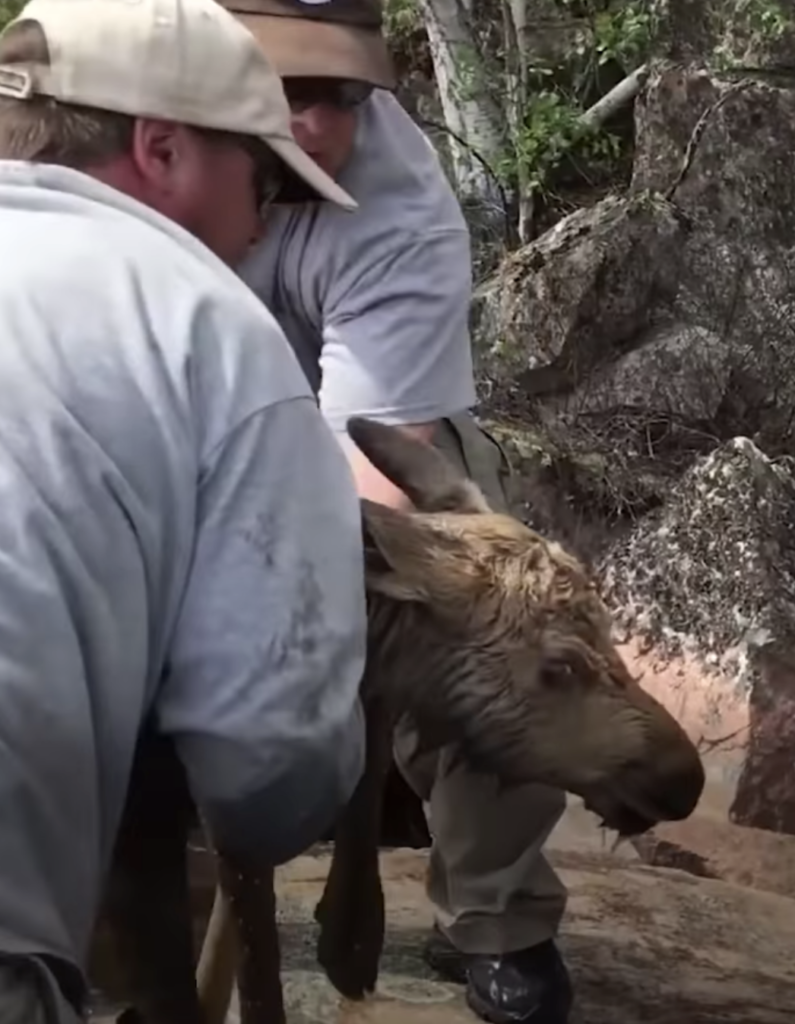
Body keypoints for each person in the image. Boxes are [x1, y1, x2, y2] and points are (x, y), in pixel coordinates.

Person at [0, 0, 371, 1020]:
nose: (260, 227)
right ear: (160, 147)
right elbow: (268, 778)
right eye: (259, 182)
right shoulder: (206, 323)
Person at [226, 1, 574, 1021]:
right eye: (285, 91)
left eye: (341, 94)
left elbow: (374, 475)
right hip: (173, 430)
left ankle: (500, 916)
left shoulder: (400, 203)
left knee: (487, 619)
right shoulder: (114, 126)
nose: (317, 125)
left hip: (364, 448)